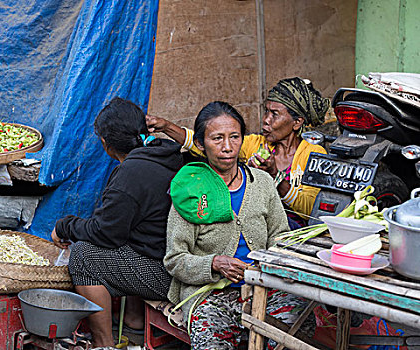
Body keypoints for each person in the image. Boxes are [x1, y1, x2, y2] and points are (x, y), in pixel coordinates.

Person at [164, 101, 316, 349]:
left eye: (234, 137)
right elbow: (175, 259)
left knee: (298, 324)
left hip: (264, 288)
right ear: (201, 144)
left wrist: (268, 264)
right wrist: (214, 263)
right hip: (210, 294)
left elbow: (280, 235)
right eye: (217, 139)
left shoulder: (263, 182)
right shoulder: (192, 191)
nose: (227, 147)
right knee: (211, 339)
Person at [51, 97, 183, 349]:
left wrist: (65, 226)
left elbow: (106, 234)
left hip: (168, 273)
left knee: (83, 257)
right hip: (173, 258)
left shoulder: (132, 173)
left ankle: (104, 343)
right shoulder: (167, 151)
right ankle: (133, 319)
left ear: (106, 144)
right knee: (135, 236)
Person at [147, 77, 330, 227]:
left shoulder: (312, 153)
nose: (265, 120)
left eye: (274, 114)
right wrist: (167, 126)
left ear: (296, 122)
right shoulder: (256, 144)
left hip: (291, 232)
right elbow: (209, 143)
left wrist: (275, 176)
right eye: (266, 111)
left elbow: (310, 210)